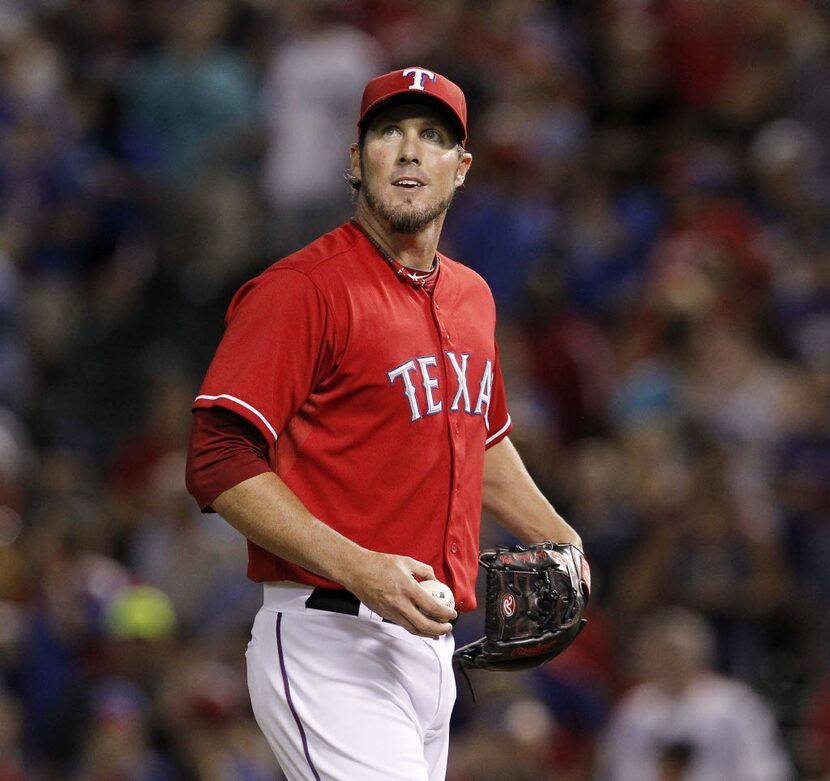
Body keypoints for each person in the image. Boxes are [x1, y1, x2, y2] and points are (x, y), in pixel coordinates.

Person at [185, 66, 583, 781]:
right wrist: (360, 566)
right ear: (355, 158)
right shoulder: (301, 290)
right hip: (327, 635)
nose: (408, 151)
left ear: (460, 169)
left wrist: (557, 535)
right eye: (389, 131)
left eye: (431, 136)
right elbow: (218, 458)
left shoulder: (472, 297)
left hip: (430, 650)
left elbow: (479, 438)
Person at [595, 607, 794, 781]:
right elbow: (615, 769)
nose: (666, 661)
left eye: (672, 652)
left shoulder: (734, 705)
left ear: (697, 653)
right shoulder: (634, 709)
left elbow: (765, 770)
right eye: (658, 652)